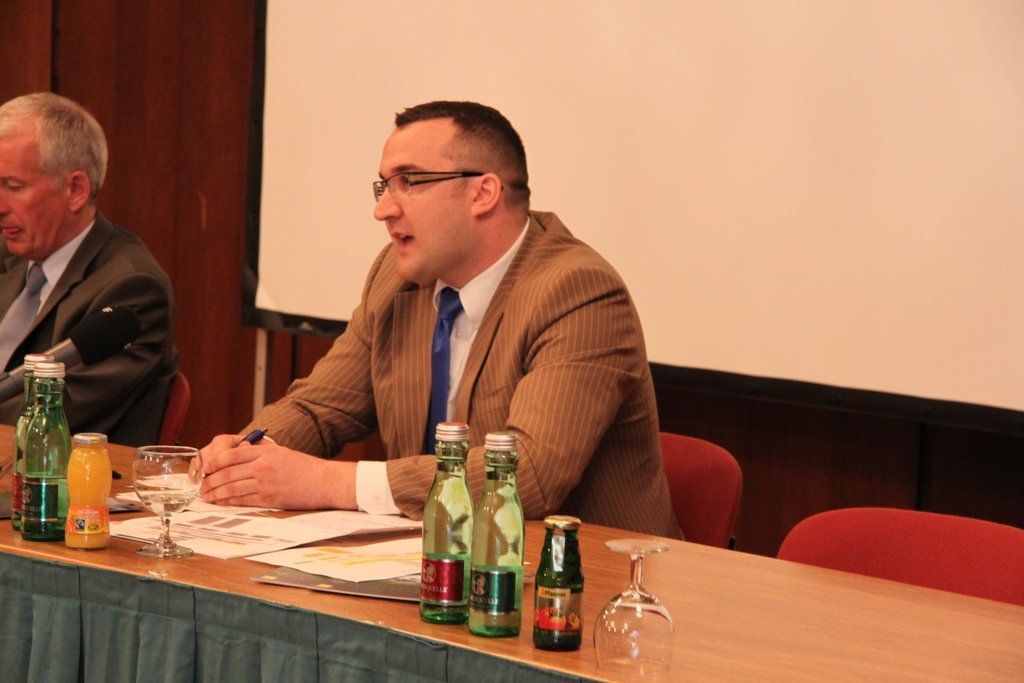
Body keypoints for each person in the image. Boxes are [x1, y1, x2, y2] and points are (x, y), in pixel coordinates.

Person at [201, 101, 680, 537]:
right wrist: (240, 459)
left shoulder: (578, 292)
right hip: (433, 561)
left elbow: (528, 475)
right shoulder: (397, 279)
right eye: (384, 186)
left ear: (482, 193)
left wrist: (327, 482)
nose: (383, 209)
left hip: (578, 581)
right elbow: (318, 409)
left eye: (409, 181)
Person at [0, 92, 177, 445]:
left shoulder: (132, 290)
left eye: (13, 186)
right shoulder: (12, 254)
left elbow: (44, 419)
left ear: (76, 190)